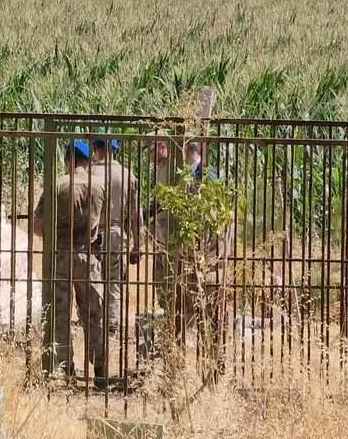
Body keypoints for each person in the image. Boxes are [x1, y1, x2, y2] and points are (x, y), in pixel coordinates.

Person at [146, 137, 232, 382]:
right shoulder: (176, 176)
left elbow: (217, 220)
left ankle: (213, 372)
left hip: (205, 260)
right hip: (181, 259)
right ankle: (176, 370)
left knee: (208, 317)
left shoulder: (207, 175)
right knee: (178, 315)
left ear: (186, 152)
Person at [33, 140, 108, 385]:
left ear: (67, 160)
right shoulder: (99, 185)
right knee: (93, 313)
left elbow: (37, 228)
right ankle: (100, 368)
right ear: (88, 161)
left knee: (60, 314)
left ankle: (65, 370)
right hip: (88, 256)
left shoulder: (55, 186)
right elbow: (105, 219)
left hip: (61, 256)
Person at [90, 138, 141, 339]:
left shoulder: (91, 173)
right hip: (118, 232)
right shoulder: (128, 175)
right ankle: (113, 326)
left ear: (96, 150)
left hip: (93, 233)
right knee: (114, 281)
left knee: (92, 280)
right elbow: (136, 215)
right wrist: (138, 244)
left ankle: (95, 323)